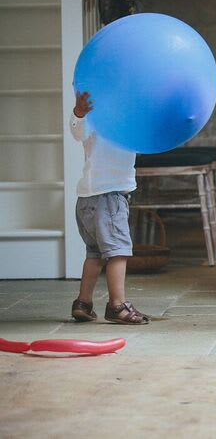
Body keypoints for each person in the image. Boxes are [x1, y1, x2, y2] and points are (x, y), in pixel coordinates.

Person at [69, 90, 149, 325]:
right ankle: (117, 305)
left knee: (94, 254)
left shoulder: (115, 121)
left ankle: (83, 303)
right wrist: (80, 113)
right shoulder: (114, 121)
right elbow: (79, 131)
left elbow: (79, 131)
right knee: (118, 252)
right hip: (108, 199)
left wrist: (79, 114)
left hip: (86, 200)